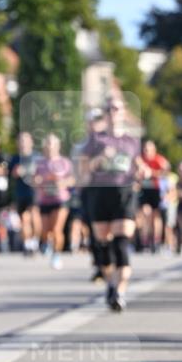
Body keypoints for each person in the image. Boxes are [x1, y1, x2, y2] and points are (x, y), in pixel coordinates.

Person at [80, 96, 144, 312]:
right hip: (100, 193)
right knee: (104, 244)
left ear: (123, 112)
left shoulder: (131, 141)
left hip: (124, 193)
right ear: (105, 114)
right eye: (109, 109)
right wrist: (100, 159)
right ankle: (110, 283)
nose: (113, 112)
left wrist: (142, 171)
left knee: (121, 242)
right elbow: (84, 169)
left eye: (117, 108)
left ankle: (120, 291)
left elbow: (138, 164)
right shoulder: (95, 140)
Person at [74, 108, 107, 281]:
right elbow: (79, 171)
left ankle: (108, 261)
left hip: (108, 191)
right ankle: (99, 264)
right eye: (91, 121)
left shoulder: (110, 142)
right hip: (89, 191)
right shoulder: (81, 145)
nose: (94, 125)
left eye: (98, 121)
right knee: (92, 229)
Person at [34, 133, 74, 270]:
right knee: (45, 231)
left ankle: (56, 255)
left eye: (52, 143)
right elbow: (34, 179)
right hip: (45, 200)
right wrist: (37, 181)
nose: (49, 146)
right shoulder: (40, 163)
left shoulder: (64, 162)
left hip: (60, 199)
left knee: (57, 229)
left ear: (57, 146)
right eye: (47, 143)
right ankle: (46, 244)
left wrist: (62, 183)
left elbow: (72, 180)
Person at [9, 131, 40, 255]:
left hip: (34, 192)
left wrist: (36, 178)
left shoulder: (37, 157)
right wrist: (16, 172)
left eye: (25, 140)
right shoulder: (15, 158)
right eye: (20, 141)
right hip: (20, 192)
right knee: (24, 219)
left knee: (34, 216)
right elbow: (10, 173)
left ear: (31, 142)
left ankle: (35, 240)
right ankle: (28, 244)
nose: (23, 143)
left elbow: (41, 174)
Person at [137, 139, 170, 252]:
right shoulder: (140, 160)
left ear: (154, 150)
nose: (146, 152)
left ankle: (157, 240)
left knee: (156, 216)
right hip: (144, 190)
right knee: (145, 213)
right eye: (145, 149)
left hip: (156, 190)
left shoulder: (159, 159)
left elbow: (166, 172)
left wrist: (152, 173)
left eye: (149, 149)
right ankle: (145, 239)